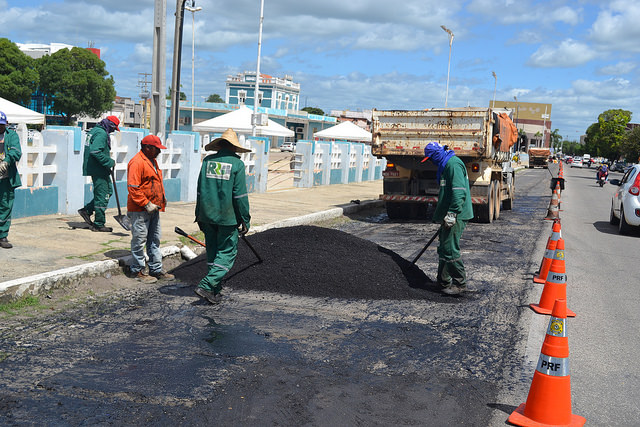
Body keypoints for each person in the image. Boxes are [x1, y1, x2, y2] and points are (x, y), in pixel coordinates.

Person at [194, 128, 251, 304]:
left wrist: (198, 214)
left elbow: (199, 190)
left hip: (206, 214)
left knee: (212, 251)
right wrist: (245, 219)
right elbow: (239, 195)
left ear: (219, 146)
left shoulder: (208, 161)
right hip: (227, 217)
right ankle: (207, 284)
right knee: (227, 252)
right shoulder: (237, 164)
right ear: (234, 147)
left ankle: (214, 290)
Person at [421, 142, 474, 295]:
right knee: (444, 247)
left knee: (450, 249)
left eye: (431, 158)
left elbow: (459, 192)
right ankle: (443, 282)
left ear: (437, 154)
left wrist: (452, 213)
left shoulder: (453, 165)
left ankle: (460, 283)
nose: (431, 162)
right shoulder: (445, 165)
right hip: (449, 214)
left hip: (457, 214)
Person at [126, 134, 175, 284]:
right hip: (140, 209)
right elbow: (133, 188)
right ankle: (137, 270)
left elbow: (155, 182)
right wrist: (146, 203)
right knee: (139, 239)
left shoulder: (152, 161)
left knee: (154, 239)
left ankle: (156, 269)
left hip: (154, 208)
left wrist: (161, 198)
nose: (159, 152)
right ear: (147, 148)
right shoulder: (137, 162)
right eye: (156, 149)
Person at [78, 115, 120, 232]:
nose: (112, 131)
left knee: (108, 191)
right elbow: (95, 151)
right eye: (113, 129)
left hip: (98, 168)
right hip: (99, 169)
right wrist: (109, 161)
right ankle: (98, 223)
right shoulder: (101, 134)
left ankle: (87, 210)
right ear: (109, 125)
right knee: (102, 194)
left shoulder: (95, 130)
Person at [0, 111, 22, 249]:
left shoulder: (11, 136)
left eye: (2, 125)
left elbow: (16, 151)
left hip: (6, 178)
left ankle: (2, 235)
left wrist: (6, 162)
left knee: (5, 206)